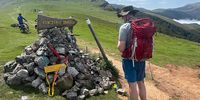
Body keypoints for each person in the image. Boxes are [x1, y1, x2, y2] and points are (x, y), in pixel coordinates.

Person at [117, 6, 147, 100]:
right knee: (141, 83)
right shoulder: (143, 26)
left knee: (132, 85)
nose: (122, 18)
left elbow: (121, 48)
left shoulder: (125, 27)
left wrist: (118, 45)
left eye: (122, 16)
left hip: (129, 60)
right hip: (141, 58)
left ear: (126, 15)